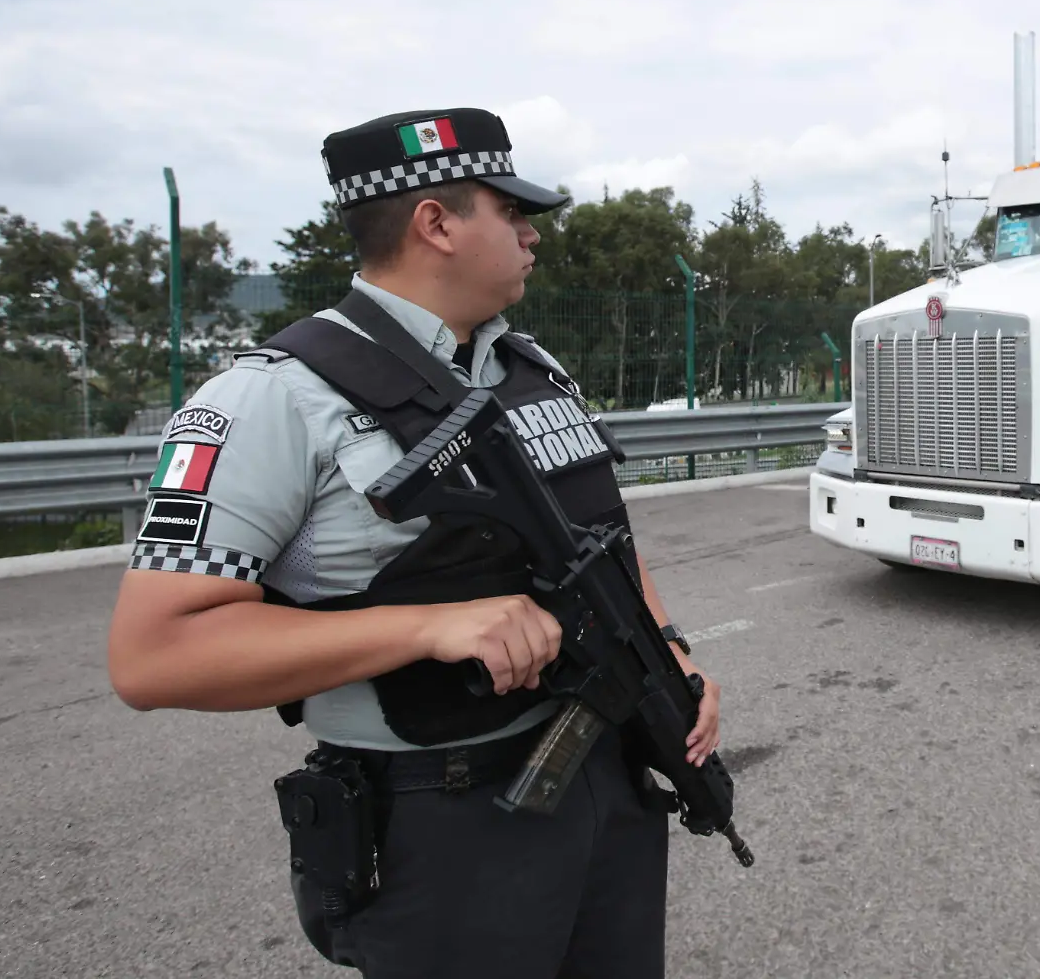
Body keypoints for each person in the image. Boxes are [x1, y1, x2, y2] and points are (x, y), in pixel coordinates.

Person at [104, 107, 720, 978]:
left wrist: (672, 655)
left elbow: (603, 542)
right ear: (436, 223)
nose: (530, 236)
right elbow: (152, 656)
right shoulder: (269, 399)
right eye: (509, 213)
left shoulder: (531, 368)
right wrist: (430, 628)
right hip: (444, 813)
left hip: (609, 771)